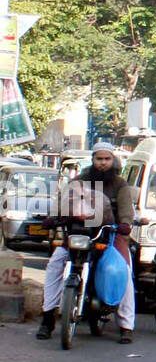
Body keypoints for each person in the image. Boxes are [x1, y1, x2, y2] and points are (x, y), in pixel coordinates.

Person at [36, 143, 138, 344]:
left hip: (108, 235)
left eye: (106, 159)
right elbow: (62, 203)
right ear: (92, 160)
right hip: (78, 233)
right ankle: (47, 320)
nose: (102, 163)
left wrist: (125, 224)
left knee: (124, 270)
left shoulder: (120, 185)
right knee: (55, 265)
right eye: (99, 159)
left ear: (112, 160)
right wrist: (53, 218)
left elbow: (126, 211)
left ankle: (126, 325)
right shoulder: (78, 181)